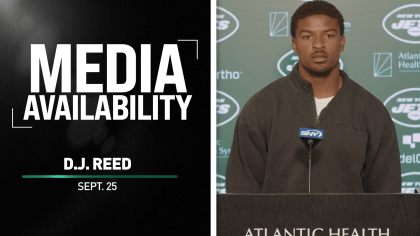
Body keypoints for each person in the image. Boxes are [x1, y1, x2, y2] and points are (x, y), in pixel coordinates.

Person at [225, 0, 401, 193]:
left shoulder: (372, 112)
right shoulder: (261, 108)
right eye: (307, 36)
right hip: (277, 224)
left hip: (348, 224)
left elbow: (387, 201)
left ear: (342, 42)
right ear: (295, 44)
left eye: (329, 35)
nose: (318, 45)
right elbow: (241, 197)